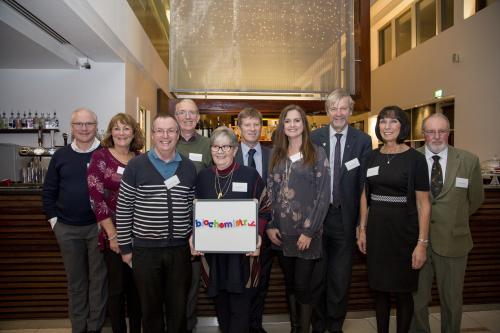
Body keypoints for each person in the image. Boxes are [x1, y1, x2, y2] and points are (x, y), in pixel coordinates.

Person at [116, 114, 197, 333]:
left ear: (178, 134)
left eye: (171, 130)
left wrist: (195, 239)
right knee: (150, 311)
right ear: (152, 134)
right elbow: (123, 209)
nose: (165, 136)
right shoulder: (136, 166)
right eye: (159, 131)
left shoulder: (189, 167)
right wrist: (125, 248)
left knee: (178, 309)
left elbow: (193, 210)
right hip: (145, 250)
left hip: (179, 250)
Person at [356, 106, 431, 333]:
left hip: (404, 233)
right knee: (379, 290)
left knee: (403, 292)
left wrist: (422, 243)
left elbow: (423, 204)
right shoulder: (371, 157)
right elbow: (364, 196)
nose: (387, 127)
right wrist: (362, 228)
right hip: (377, 231)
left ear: (402, 126)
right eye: (383, 122)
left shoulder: (416, 159)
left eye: (393, 122)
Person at [191, 126, 271, 333]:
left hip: (243, 257)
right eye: (216, 147)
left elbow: (265, 208)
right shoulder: (203, 178)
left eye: (225, 146)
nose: (220, 151)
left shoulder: (250, 175)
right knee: (222, 308)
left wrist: (258, 236)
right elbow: (194, 212)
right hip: (214, 257)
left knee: (241, 311)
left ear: (235, 150)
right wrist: (194, 236)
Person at [410, 113, 484, 333]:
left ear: (449, 133)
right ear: (423, 134)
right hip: (417, 242)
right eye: (431, 131)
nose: (436, 136)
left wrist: (454, 219)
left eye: (441, 131)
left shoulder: (469, 160)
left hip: (454, 242)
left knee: (452, 300)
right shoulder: (411, 158)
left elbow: (476, 199)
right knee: (417, 300)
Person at [311, 89, 372, 333]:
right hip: (317, 219)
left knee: (339, 277)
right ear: (327, 112)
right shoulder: (314, 138)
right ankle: (318, 324)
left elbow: (364, 186)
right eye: (333, 108)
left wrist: (361, 224)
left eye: (343, 108)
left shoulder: (362, 141)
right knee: (317, 277)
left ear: (350, 111)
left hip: (345, 220)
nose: (338, 113)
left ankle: (335, 325)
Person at [267, 105, 331, 333]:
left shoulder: (317, 152)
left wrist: (309, 231)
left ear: (304, 124)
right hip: (282, 234)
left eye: (297, 120)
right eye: (287, 121)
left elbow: (323, 195)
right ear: (282, 126)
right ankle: (295, 328)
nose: (292, 125)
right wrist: (271, 227)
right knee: (291, 284)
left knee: (304, 286)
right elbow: (271, 192)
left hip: (307, 234)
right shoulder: (276, 153)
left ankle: (304, 329)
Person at [42, 108, 107, 333]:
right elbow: (48, 191)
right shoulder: (61, 156)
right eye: (79, 124)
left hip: (98, 228)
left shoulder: (105, 153)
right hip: (67, 229)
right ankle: (78, 327)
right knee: (76, 283)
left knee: (98, 282)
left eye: (88, 124)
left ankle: (94, 327)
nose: (84, 128)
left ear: (96, 125)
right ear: (72, 127)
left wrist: (108, 223)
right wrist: (54, 222)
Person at [87, 113, 144, 333]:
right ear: (111, 132)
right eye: (117, 128)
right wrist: (112, 234)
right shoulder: (101, 157)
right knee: (117, 289)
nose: (121, 133)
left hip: (139, 234)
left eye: (126, 128)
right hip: (113, 235)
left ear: (133, 132)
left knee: (137, 289)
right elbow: (95, 197)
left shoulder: (140, 158)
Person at [174, 98, 212, 333]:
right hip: (170, 225)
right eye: (182, 113)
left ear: (198, 117)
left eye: (192, 113)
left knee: (193, 283)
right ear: (176, 117)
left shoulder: (209, 145)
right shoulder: (165, 142)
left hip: (200, 226)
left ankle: (187, 326)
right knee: (171, 283)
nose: (187, 117)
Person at [235, 107, 272, 333]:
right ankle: (239, 325)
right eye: (247, 125)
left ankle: (256, 325)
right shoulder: (228, 153)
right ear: (239, 129)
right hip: (235, 230)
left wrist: (270, 225)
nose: (252, 129)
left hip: (264, 229)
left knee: (261, 282)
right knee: (239, 282)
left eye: (256, 124)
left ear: (261, 127)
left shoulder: (273, 154)